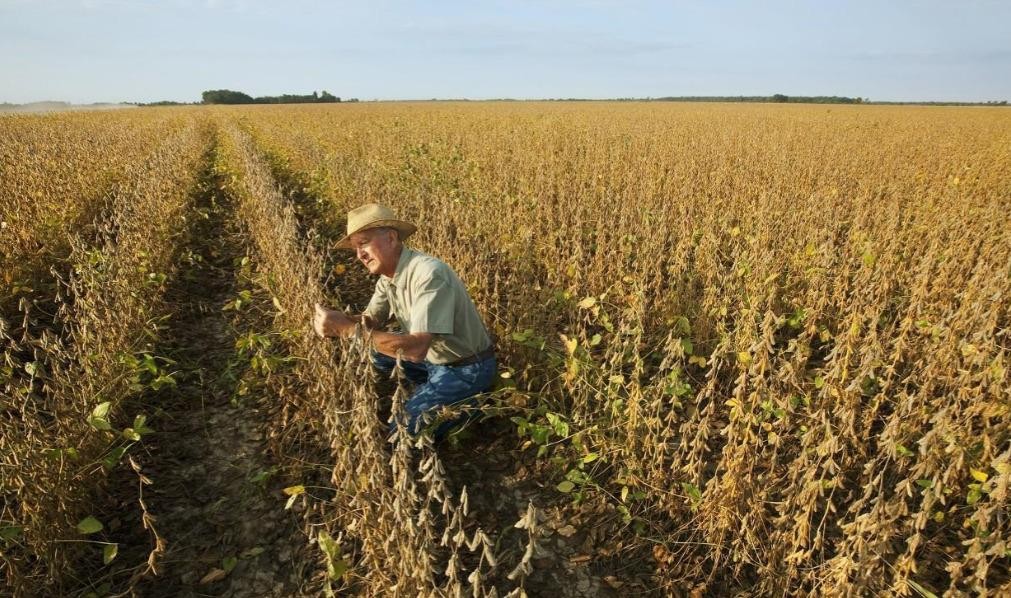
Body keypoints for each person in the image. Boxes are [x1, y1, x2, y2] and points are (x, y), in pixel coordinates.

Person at [312, 203, 496, 438]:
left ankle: (473, 405)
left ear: (390, 238)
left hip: (467, 368)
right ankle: (433, 391)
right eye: (355, 248)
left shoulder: (428, 274)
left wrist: (346, 329)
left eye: (364, 243)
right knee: (370, 352)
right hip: (434, 360)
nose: (359, 255)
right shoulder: (388, 277)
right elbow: (370, 321)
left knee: (401, 434)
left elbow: (416, 349)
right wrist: (338, 321)